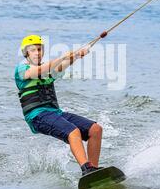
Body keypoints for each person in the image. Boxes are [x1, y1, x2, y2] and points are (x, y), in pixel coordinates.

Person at [15, 35, 104, 176]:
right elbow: (39, 71)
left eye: (39, 49)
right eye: (33, 50)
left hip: (55, 113)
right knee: (73, 131)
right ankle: (86, 169)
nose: (37, 52)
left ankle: (93, 170)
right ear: (27, 53)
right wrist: (62, 57)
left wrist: (77, 55)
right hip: (37, 116)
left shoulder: (48, 70)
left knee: (95, 129)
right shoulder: (22, 69)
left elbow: (60, 67)